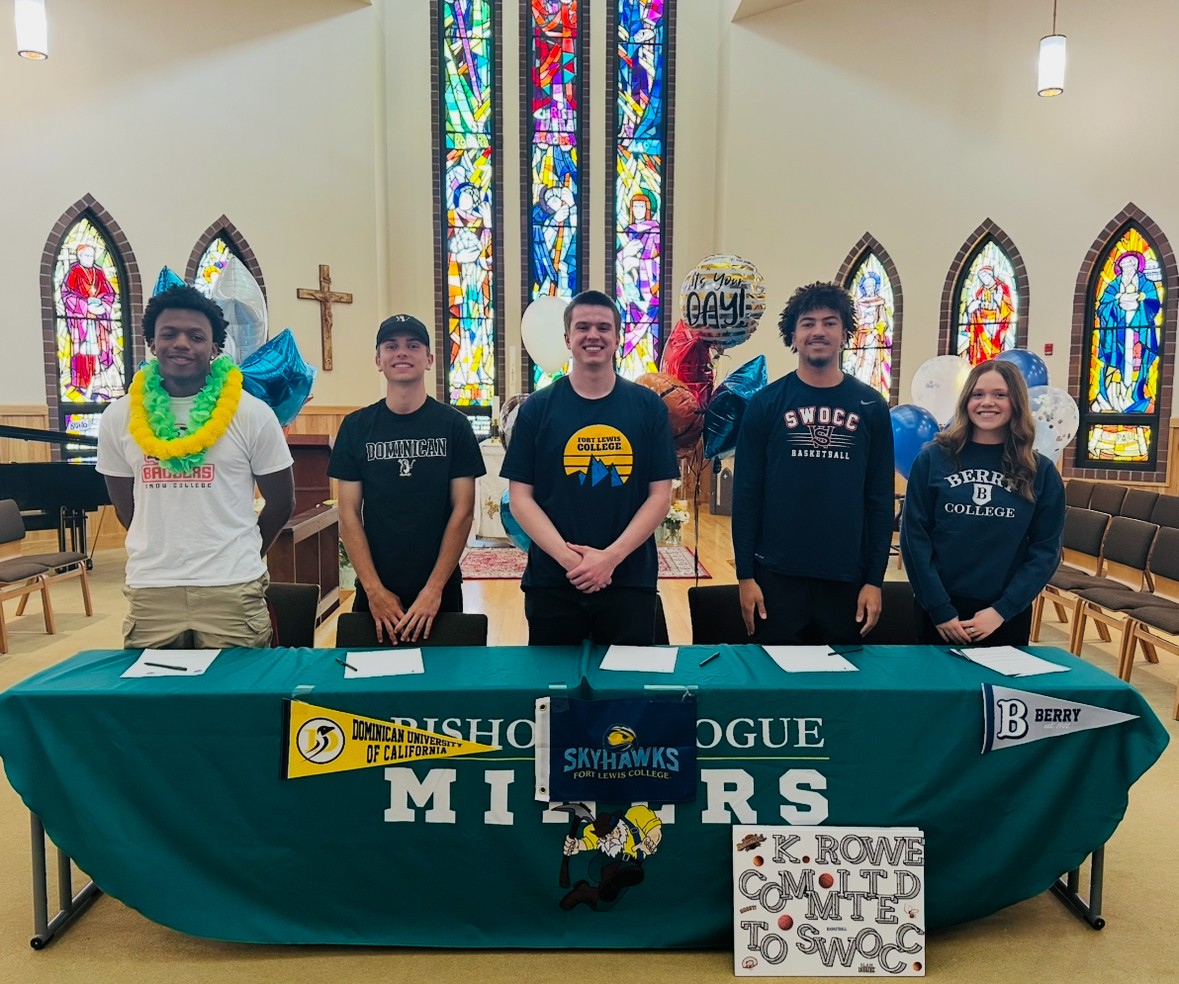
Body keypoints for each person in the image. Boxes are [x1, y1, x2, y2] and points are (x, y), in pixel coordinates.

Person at [97, 285, 295, 649]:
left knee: (238, 686)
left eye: (196, 336)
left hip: (231, 587)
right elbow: (126, 508)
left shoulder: (251, 413)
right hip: (152, 587)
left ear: (215, 348)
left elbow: (282, 502)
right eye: (169, 334)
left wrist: (242, 552)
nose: (181, 344)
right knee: (155, 687)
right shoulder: (119, 416)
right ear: (152, 343)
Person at [501, 289, 678, 645]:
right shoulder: (536, 409)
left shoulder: (648, 407)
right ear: (567, 339)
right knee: (554, 680)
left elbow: (660, 496)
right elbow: (520, 499)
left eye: (603, 327)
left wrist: (610, 559)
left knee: (625, 678)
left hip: (628, 579)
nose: (593, 335)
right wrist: (571, 561)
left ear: (617, 338)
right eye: (582, 327)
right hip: (554, 581)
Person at [732, 281, 895, 644]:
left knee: (841, 679)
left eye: (829, 322)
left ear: (845, 333)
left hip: (847, 578)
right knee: (773, 675)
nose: (818, 331)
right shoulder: (765, 403)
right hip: (776, 576)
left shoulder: (872, 406)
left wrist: (874, 580)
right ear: (793, 335)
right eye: (808, 323)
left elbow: (880, 500)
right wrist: (745, 575)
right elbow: (746, 495)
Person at [329, 314, 485, 643]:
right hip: (375, 589)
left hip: (440, 589)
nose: (402, 352)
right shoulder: (356, 427)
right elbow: (348, 513)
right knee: (369, 676)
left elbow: (463, 511)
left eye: (413, 345)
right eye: (391, 346)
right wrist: (374, 591)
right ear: (378, 360)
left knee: (443, 675)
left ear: (429, 359)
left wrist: (433, 589)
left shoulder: (454, 426)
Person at [900, 359, 1065, 646]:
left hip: (1002, 616)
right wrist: (939, 609)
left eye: (1000, 394)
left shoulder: (1040, 471)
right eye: (978, 394)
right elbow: (914, 538)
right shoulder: (933, 459)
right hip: (938, 612)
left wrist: (1002, 610)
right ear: (966, 400)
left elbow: (1046, 551)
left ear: (1016, 402)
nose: (987, 402)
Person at [962, 264, 1014, 365]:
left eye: (985, 276)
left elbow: (1009, 309)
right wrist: (971, 310)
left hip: (996, 324)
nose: (983, 279)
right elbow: (974, 312)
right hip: (981, 323)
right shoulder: (980, 292)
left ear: (991, 275)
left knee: (994, 348)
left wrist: (999, 302)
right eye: (981, 277)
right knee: (981, 348)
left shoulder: (1002, 288)